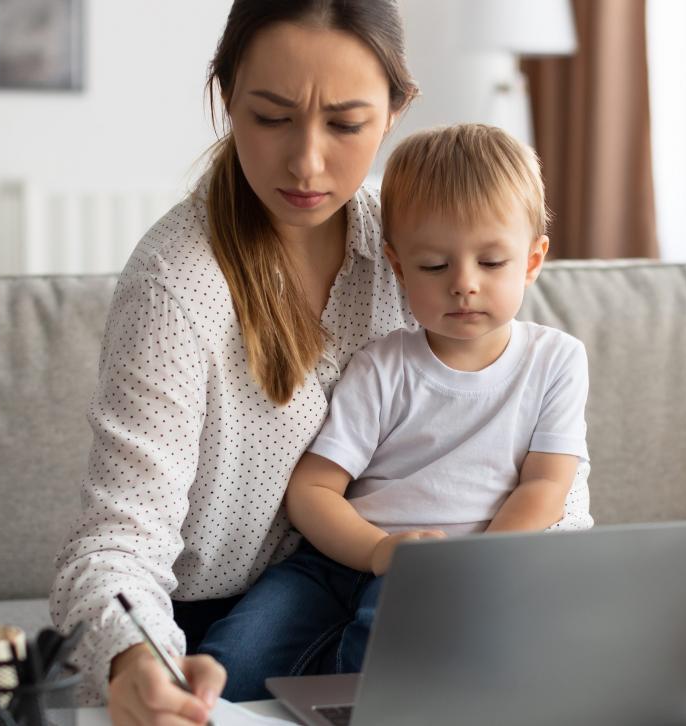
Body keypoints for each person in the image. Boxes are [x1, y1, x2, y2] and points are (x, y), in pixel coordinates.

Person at [49, 2, 418, 725]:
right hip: (215, 635)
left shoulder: (417, 253)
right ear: (225, 98)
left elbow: (516, 419)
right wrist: (137, 660)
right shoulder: (177, 284)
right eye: (271, 117)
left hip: (391, 599)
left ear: (396, 113)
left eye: (346, 124)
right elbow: (116, 539)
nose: (307, 162)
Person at [196, 123, 593, 700]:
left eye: (491, 263)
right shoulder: (383, 366)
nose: (463, 285)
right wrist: (380, 550)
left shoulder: (556, 360)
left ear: (531, 262)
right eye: (434, 266)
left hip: (463, 567)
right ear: (399, 267)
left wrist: (473, 569)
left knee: (385, 673)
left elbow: (546, 486)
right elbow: (313, 491)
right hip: (343, 561)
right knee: (232, 666)